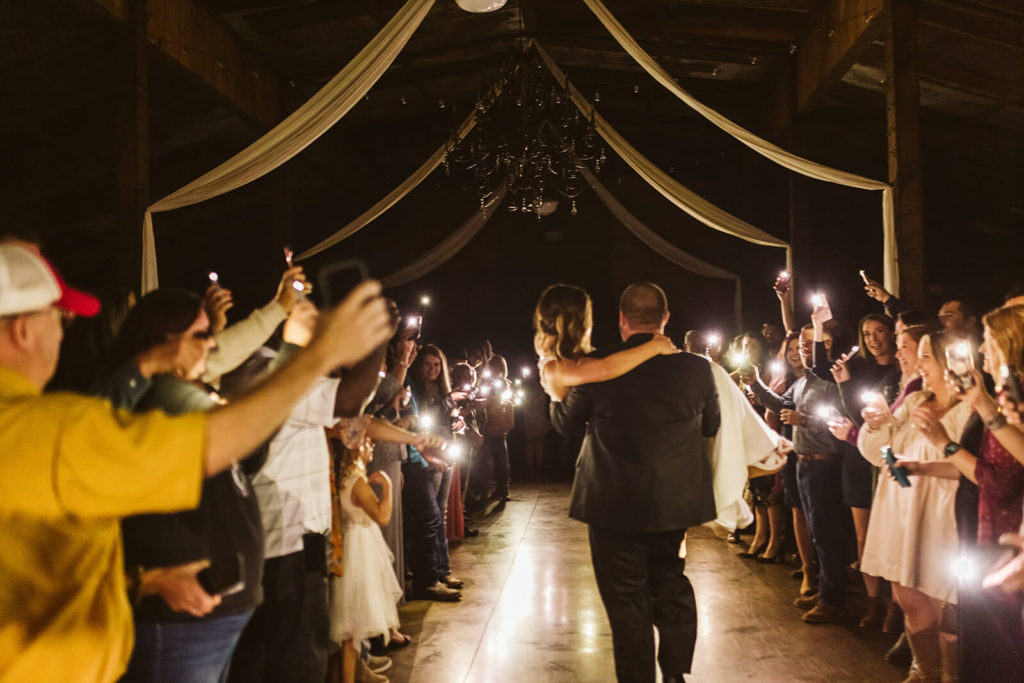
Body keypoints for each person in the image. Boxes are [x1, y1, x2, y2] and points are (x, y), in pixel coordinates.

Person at [0, 245, 392, 683]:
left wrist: (141, 581)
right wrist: (314, 354)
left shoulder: (45, 426)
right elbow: (214, 445)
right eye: (59, 317)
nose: (64, 332)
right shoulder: (48, 429)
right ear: (20, 329)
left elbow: (43, 562)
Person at [548, 282, 720, 683]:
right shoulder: (697, 369)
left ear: (622, 320)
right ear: (666, 318)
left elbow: (564, 424)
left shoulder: (598, 364)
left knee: (627, 603)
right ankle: (675, 673)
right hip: (674, 502)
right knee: (670, 583)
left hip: (612, 502)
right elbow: (711, 425)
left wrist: (554, 393)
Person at [858, 331, 973, 682]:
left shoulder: (970, 409)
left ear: (949, 363)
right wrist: (875, 425)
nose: (918, 364)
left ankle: (951, 676)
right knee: (909, 599)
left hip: (940, 516)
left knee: (946, 605)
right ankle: (924, 671)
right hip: (901, 514)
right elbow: (875, 452)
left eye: (926, 357)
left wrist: (928, 461)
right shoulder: (914, 401)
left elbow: (977, 468)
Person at [330, 434, 404, 683]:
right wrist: (388, 488)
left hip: (354, 545)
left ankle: (356, 671)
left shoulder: (342, 477)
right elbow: (382, 516)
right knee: (352, 628)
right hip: (358, 552)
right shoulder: (357, 481)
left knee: (351, 629)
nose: (372, 445)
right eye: (366, 442)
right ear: (353, 449)